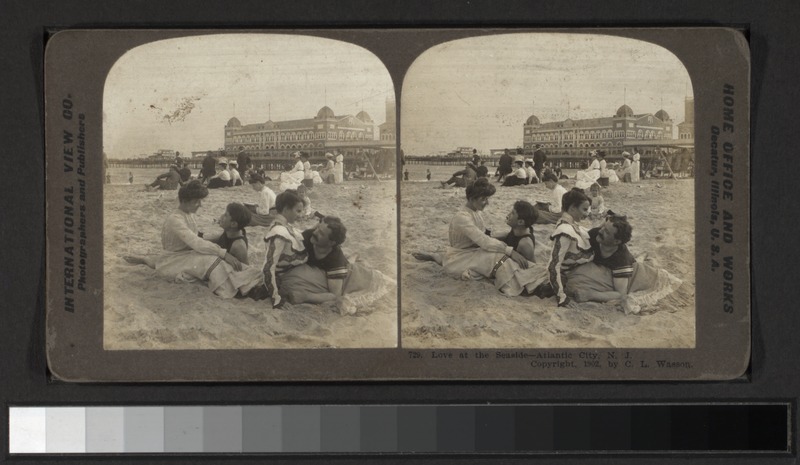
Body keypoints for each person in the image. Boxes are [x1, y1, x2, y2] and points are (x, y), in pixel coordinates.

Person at [414, 178, 542, 297]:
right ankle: (518, 287)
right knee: (499, 258)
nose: (487, 203)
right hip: (461, 257)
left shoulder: (475, 213)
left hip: (473, 252)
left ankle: (527, 282)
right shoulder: (462, 217)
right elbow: (484, 241)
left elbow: (486, 236)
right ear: (471, 199)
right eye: (483, 199)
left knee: (499, 256)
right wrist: (510, 251)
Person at [123, 181, 250, 298]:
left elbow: (198, 237)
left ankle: (238, 282)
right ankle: (231, 289)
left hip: (186, 254)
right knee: (212, 260)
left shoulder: (187, 214)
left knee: (212, 258)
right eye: (196, 201)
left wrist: (223, 238)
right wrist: (224, 253)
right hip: (175, 259)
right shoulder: (175, 219)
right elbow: (195, 242)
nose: (200, 204)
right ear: (184, 201)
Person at [566, 214, 682, 314]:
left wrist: (590, 295)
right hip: (603, 271)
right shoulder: (596, 235)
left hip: (631, 274)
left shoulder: (621, 260)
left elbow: (620, 294)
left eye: (606, 232)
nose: (600, 231)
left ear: (616, 242)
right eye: (603, 227)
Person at [278, 216, 393, 314]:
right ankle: (352, 258)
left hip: (341, 270)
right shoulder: (308, 236)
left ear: (331, 243)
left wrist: (306, 296)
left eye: (321, 233)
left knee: (351, 268)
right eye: (318, 228)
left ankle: (352, 259)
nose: (315, 232)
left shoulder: (335, 261)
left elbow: (334, 295)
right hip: (318, 269)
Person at [534, 188, 594, 306]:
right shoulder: (564, 231)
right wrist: (561, 296)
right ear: (572, 208)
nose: (587, 213)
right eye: (584, 209)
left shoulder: (570, 224)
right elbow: (553, 266)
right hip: (570, 278)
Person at [259, 190, 309, 308]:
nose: (300, 215)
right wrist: (275, 298)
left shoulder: (285, 226)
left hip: (295, 275)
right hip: (288, 280)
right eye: (298, 211)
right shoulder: (278, 232)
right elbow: (268, 268)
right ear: (286, 209)